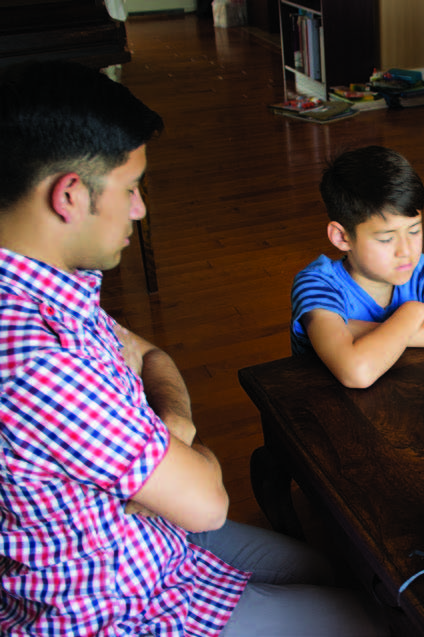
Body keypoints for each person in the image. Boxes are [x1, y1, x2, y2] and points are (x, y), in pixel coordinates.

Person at [0, 60, 387, 636]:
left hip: (153, 541)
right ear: (70, 195)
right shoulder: (38, 358)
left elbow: (153, 356)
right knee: (382, 621)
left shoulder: (45, 286)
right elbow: (208, 502)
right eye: (131, 188)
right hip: (121, 610)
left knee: (335, 568)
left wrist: (171, 430)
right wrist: (182, 454)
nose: (140, 208)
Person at [291, 145, 424, 388]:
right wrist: (413, 313)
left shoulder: (419, 270)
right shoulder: (317, 284)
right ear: (342, 237)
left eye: (414, 231)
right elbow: (357, 373)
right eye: (386, 238)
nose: (406, 251)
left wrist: (362, 331)